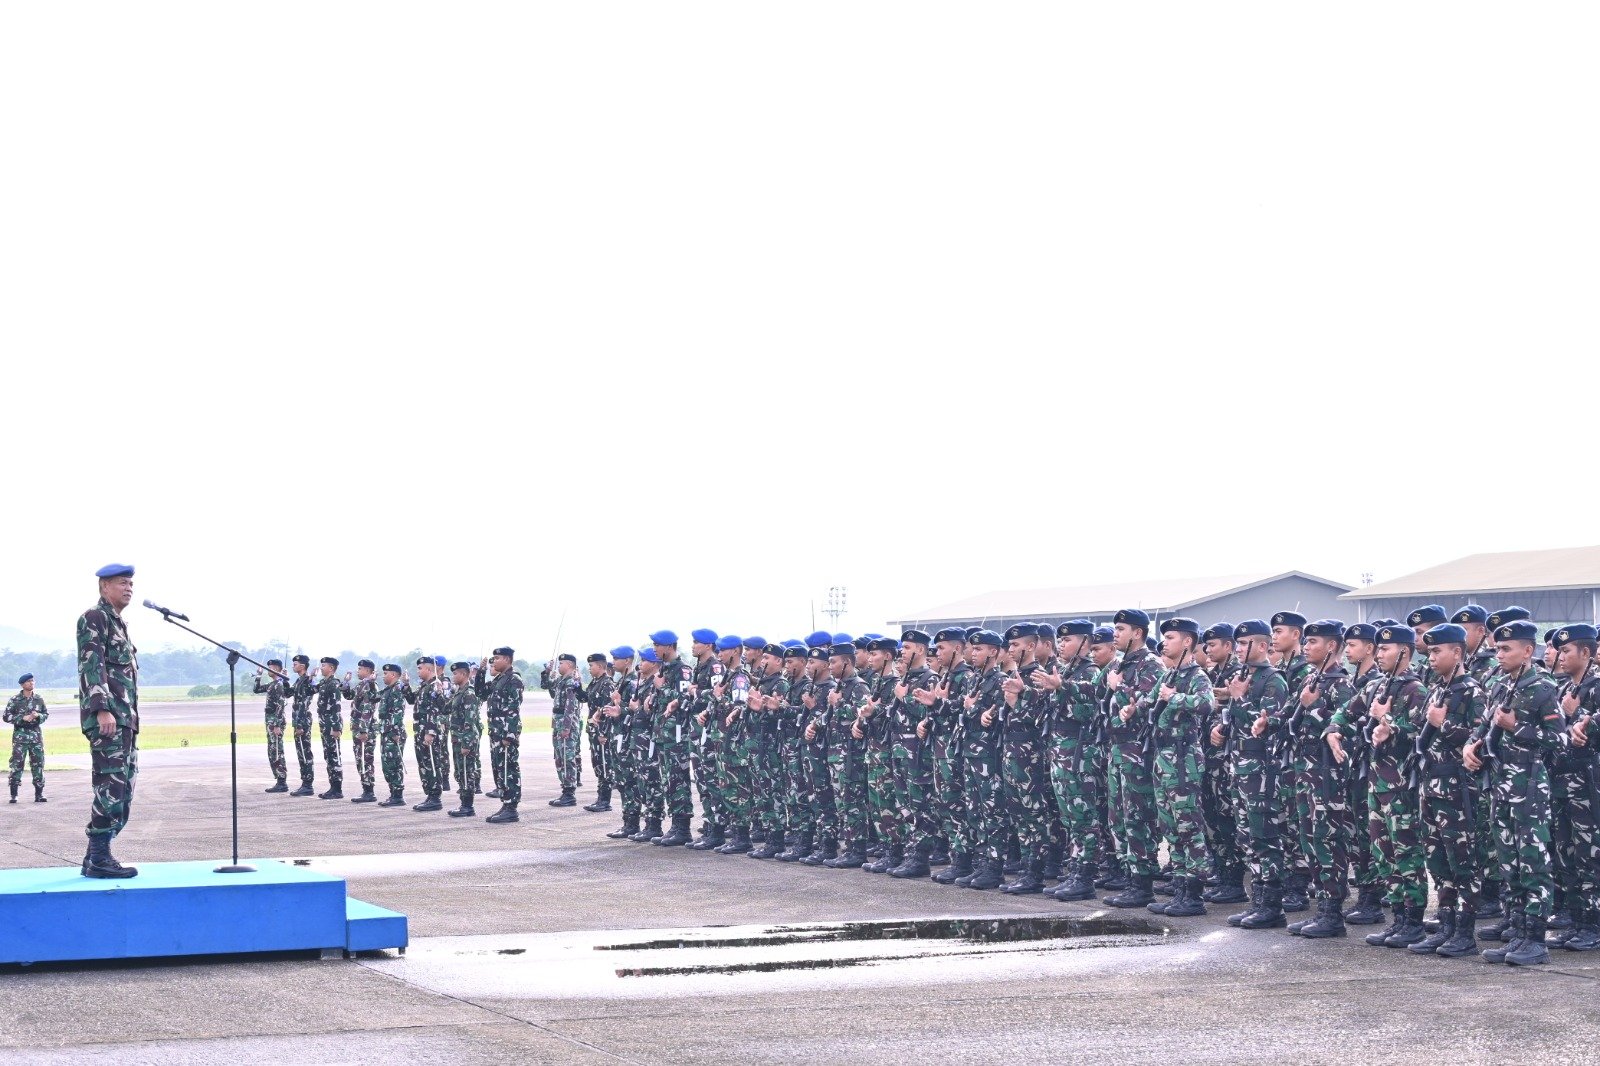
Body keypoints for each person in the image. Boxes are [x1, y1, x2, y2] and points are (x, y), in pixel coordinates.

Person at [1465, 619, 1563, 965]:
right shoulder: (1499, 686)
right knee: (1509, 863)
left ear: (1527, 651)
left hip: (1529, 789)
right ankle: (1518, 933)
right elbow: (1483, 727)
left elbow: (1559, 739)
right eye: (1497, 648)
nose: (1499, 654)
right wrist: (1471, 746)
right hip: (1500, 786)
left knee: (1533, 863)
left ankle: (1535, 940)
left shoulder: (1543, 688)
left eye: (1507, 649)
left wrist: (1517, 726)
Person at [78, 562, 140, 879]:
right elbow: (92, 665)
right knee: (110, 788)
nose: (128, 589)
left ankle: (95, 856)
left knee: (123, 790)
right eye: (122, 583)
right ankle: (100, 857)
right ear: (104, 586)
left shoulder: (119, 624)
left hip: (125, 719)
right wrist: (102, 708)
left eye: (130, 584)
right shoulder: (95, 617)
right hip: (108, 719)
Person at [475, 646, 525, 824]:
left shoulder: (513, 679)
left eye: (497, 658)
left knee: (508, 769)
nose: (494, 661)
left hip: (505, 734)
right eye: (493, 658)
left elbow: (513, 709)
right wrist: (481, 672)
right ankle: (505, 803)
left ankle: (511, 807)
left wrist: (509, 735)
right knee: (499, 769)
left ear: (507, 659)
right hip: (496, 732)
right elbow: (480, 693)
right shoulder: (498, 679)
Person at [406, 656, 451, 811]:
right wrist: (406, 685)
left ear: (429, 669)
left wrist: (430, 732)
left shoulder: (434, 686)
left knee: (431, 763)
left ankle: (435, 797)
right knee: (424, 764)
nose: (418, 671)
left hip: (428, 731)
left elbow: (434, 710)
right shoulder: (424, 686)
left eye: (420, 668)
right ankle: (430, 795)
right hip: (420, 730)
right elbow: (412, 700)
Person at [539, 653, 584, 807]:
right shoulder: (561, 680)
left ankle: (569, 793)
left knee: (567, 757)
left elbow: (571, 706)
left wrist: (566, 727)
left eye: (561, 663)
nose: (559, 666)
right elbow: (546, 686)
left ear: (569, 665)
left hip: (566, 724)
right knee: (559, 757)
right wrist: (547, 672)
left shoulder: (571, 681)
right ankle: (565, 788)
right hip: (558, 723)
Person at [446, 661, 482, 818]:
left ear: (464, 674)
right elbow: (445, 708)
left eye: (455, 674)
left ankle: (468, 806)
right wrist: (440, 693)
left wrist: (467, 743)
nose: (453, 676)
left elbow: (470, 720)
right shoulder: (459, 692)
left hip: (465, 739)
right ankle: (464, 804)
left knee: (467, 772)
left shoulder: (469, 693)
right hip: (457, 738)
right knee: (460, 772)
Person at [340, 659, 379, 802]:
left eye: (360, 669)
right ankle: (365, 789)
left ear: (368, 671)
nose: (358, 671)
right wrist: (346, 683)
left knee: (365, 759)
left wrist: (363, 730)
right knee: (360, 759)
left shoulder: (370, 685)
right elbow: (349, 696)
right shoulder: (362, 684)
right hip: (358, 728)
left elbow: (368, 708)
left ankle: (369, 791)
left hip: (365, 729)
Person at [5, 672, 48, 803]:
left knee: (38, 764)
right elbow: (6, 716)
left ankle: (39, 794)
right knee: (17, 764)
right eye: (29, 681)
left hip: (36, 738)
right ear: (22, 684)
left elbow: (45, 714)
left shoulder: (39, 699)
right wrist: (22, 718)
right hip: (20, 738)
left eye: (33, 681)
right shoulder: (15, 700)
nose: (31, 683)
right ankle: (14, 795)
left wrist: (38, 716)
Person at [582, 653, 616, 813]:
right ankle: (600, 798)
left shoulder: (607, 684)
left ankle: (605, 800)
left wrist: (604, 732)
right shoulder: (595, 683)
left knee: (604, 764)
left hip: (602, 731)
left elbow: (607, 710)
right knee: (598, 764)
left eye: (591, 666)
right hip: (594, 730)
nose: (589, 668)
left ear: (601, 666)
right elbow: (586, 699)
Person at [253, 659, 291, 793]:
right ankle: (279, 780)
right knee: (272, 749)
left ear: (277, 669)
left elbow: (281, 705)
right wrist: (258, 675)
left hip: (275, 721)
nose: (268, 669)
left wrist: (277, 724)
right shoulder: (272, 684)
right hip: (270, 720)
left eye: (270, 667)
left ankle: (282, 781)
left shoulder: (279, 685)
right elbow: (256, 689)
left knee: (277, 750)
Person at [375, 664, 408, 806]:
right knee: (387, 765)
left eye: (386, 673)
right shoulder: (388, 689)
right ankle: (393, 794)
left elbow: (398, 711)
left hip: (393, 732)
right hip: (386, 731)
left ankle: (398, 796)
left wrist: (395, 731)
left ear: (393, 675)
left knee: (394, 764)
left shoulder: (397, 689)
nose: (383, 676)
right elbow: (372, 697)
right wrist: (370, 682)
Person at [313, 656, 344, 799]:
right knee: (329, 756)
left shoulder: (333, 684)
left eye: (324, 665)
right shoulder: (324, 683)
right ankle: (332, 787)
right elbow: (310, 690)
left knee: (334, 756)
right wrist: (310, 677)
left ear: (331, 668)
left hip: (331, 725)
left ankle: (337, 789)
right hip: (325, 724)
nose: (321, 668)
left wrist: (336, 727)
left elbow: (336, 707)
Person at [287, 653, 317, 796]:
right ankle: (305, 783)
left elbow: (303, 704)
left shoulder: (306, 681)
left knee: (305, 753)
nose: (293, 666)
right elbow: (287, 693)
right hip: (299, 720)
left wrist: (299, 725)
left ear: (303, 666)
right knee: (301, 753)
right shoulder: (299, 680)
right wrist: (283, 679)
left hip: (302, 721)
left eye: (295, 664)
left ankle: (308, 785)